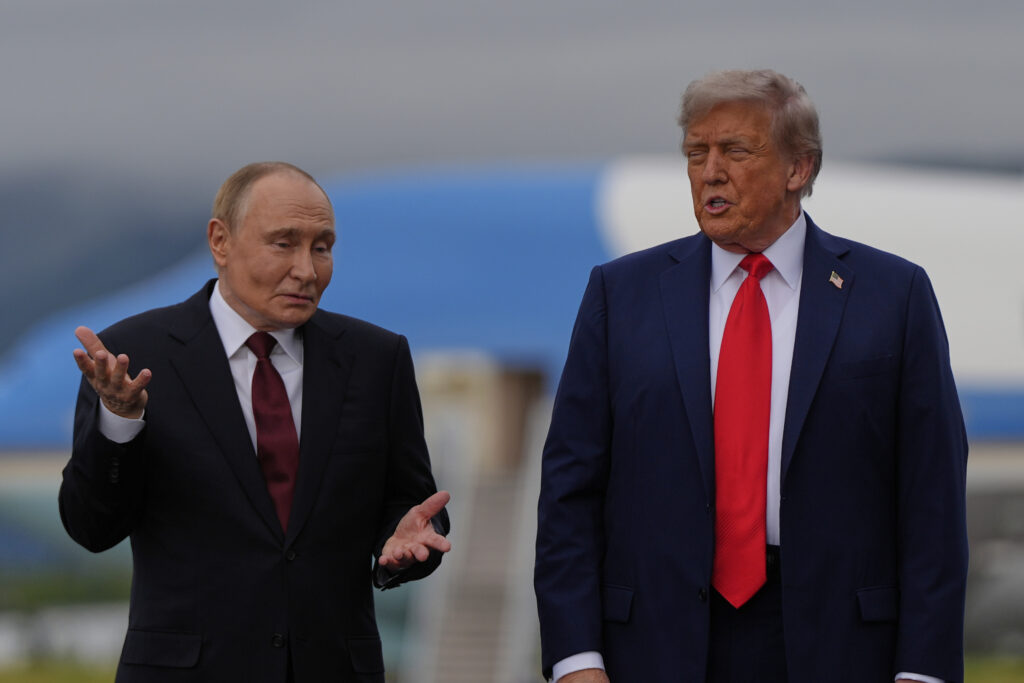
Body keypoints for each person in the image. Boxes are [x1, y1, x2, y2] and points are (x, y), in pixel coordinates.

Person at [534, 70, 968, 683]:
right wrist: (576, 659)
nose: (710, 171)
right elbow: (569, 494)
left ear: (800, 168)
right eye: (696, 153)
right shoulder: (620, 294)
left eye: (735, 151)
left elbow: (933, 501)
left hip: (840, 647)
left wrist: (923, 672)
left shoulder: (893, 296)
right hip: (655, 645)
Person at [59, 161, 451, 683]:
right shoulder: (131, 358)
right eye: (284, 243)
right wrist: (120, 422)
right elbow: (91, 527)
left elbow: (412, 504)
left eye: (322, 246)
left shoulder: (377, 359)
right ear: (220, 241)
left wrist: (405, 546)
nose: (307, 270)